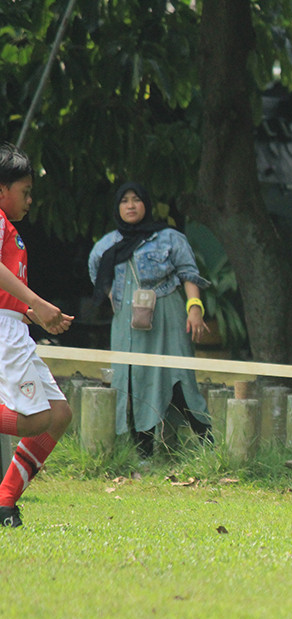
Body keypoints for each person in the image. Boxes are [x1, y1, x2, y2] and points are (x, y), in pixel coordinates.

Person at [88, 182, 212, 457]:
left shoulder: (169, 238)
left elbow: (189, 274)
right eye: (124, 201)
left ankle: (209, 447)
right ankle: (142, 453)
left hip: (166, 317)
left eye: (136, 200)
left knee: (179, 379)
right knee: (131, 382)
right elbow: (98, 278)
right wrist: (120, 301)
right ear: (117, 207)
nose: (130, 206)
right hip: (126, 324)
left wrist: (194, 308)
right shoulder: (106, 245)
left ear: (147, 204)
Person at [0, 142, 74, 527]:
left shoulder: (10, 229)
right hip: (4, 334)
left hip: (14, 328)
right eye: (25, 192)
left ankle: (5, 500)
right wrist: (36, 301)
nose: (30, 200)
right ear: (2, 190)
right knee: (34, 419)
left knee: (59, 414)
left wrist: (30, 312)